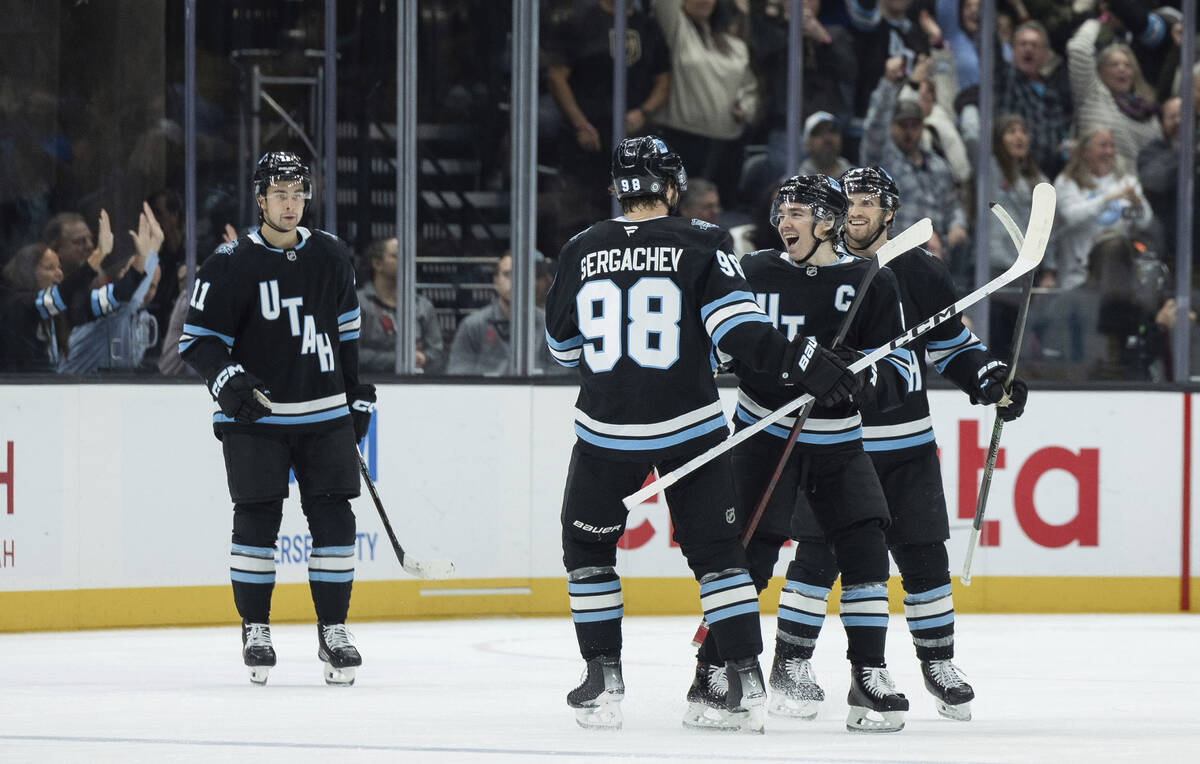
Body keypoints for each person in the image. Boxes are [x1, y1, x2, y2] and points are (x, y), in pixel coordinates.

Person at [544, 136, 860, 732]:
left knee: (588, 551)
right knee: (718, 556)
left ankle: (601, 678)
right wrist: (804, 358)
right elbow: (742, 337)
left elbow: (563, 350)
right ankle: (742, 680)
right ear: (670, 187)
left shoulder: (580, 248)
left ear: (617, 188)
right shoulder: (704, 242)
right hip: (688, 427)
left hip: (605, 431)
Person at [697, 174, 915, 733]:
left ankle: (869, 676)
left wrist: (860, 382)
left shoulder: (872, 281)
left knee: (867, 549)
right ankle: (712, 671)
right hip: (762, 436)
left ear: (827, 221)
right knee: (747, 558)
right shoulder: (755, 271)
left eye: (797, 213)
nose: (783, 224)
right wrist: (787, 365)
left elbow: (902, 368)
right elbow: (725, 346)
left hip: (838, 441)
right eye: (781, 212)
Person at [830, 165, 1029, 721]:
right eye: (848, 200)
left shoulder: (921, 271)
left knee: (923, 555)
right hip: (837, 443)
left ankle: (937, 662)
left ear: (889, 212)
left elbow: (951, 346)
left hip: (909, 442)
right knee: (823, 559)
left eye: (867, 201)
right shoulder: (823, 268)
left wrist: (990, 377)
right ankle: (801, 664)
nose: (855, 211)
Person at [178, 152, 376, 687]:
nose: (290, 204)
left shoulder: (332, 255)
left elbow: (348, 335)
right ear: (261, 199)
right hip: (258, 420)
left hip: (323, 416)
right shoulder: (229, 262)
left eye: (298, 193)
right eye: (279, 194)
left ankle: (333, 628)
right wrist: (227, 381)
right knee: (257, 519)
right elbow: (196, 341)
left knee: (335, 521)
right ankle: (257, 627)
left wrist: (356, 395)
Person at [446, 250, 557, 376]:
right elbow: (458, 372)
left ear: (533, 282)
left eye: (522, 274)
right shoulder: (473, 325)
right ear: (496, 282)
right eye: (508, 274)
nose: (515, 281)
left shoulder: (548, 324)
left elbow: (560, 371)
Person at [357, 237, 444, 374]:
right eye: (396, 256)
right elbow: (353, 354)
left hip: (416, 386)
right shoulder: (357, 303)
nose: (405, 261)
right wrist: (402, 359)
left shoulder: (423, 305)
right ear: (377, 264)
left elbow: (437, 352)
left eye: (408, 256)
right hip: (369, 384)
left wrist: (424, 358)